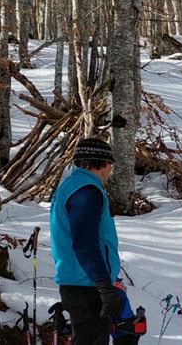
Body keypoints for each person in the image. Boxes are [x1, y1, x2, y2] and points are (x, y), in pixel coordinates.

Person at [50, 138, 121, 345]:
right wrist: (104, 287)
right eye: (110, 164)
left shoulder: (70, 186)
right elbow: (85, 244)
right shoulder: (87, 192)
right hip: (87, 286)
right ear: (103, 163)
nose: (110, 170)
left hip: (79, 281)